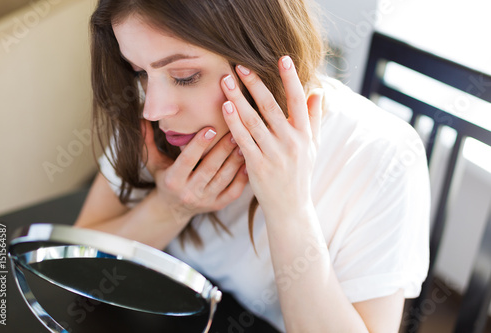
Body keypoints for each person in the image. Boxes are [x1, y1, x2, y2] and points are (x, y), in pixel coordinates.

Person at [75, 0, 430, 331]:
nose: (153, 108)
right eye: (139, 72)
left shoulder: (382, 155)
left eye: (184, 76)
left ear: (261, 52)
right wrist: (171, 207)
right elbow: (77, 269)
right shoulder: (151, 113)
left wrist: (289, 209)